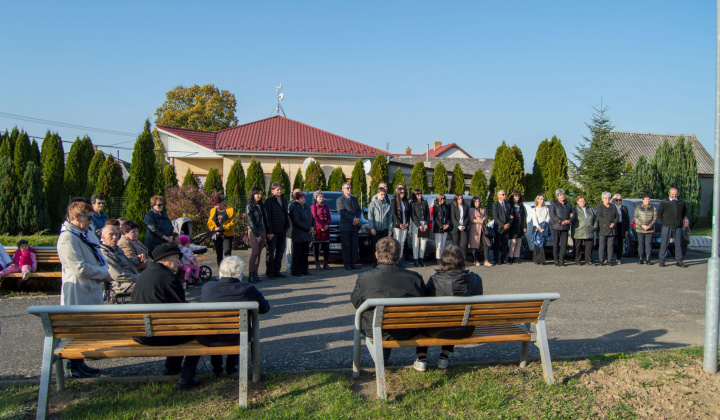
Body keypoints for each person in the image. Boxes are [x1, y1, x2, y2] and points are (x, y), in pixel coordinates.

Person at [131, 243, 201, 390]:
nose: (179, 262)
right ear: (164, 259)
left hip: (141, 332)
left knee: (176, 328)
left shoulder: (144, 275)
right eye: (176, 258)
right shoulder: (168, 278)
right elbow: (183, 310)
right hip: (158, 335)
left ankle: (172, 368)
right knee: (198, 333)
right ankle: (186, 377)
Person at [351, 237, 426, 364]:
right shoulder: (414, 278)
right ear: (399, 256)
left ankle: (382, 360)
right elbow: (424, 304)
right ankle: (422, 358)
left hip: (374, 330)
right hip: (405, 330)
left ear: (376, 255)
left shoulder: (364, 279)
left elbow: (356, 303)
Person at [58, 201, 111, 378]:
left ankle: (81, 362)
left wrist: (104, 270)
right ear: (76, 217)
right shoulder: (67, 238)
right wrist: (102, 273)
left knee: (87, 327)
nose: (91, 222)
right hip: (78, 288)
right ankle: (73, 366)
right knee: (76, 327)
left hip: (92, 286)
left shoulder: (85, 233)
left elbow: (98, 253)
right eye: (88, 218)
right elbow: (78, 267)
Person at [197, 256, 270, 376]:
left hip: (210, 337)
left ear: (220, 272)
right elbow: (265, 308)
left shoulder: (208, 287)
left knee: (215, 325)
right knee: (240, 328)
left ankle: (217, 366)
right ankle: (232, 365)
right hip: (238, 337)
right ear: (241, 273)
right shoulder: (248, 289)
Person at [416, 245, 483, 370]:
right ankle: (444, 357)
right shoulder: (475, 279)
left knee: (424, 318)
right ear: (462, 261)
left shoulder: (434, 280)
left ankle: (422, 358)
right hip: (465, 329)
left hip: (436, 330)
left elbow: (424, 305)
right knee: (457, 316)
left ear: (443, 261)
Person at [98, 225, 138, 295]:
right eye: (111, 234)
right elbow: (118, 275)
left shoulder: (116, 249)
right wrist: (140, 277)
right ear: (102, 237)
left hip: (130, 281)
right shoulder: (104, 253)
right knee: (150, 284)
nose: (115, 237)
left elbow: (126, 263)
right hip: (121, 286)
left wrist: (137, 260)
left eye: (116, 234)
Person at [264, 182, 290, 279]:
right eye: (277, 189)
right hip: (272, 231)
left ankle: (276, 271)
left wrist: (287, 225)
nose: (279, 191)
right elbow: (268, 218)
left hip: (282, 230)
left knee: (280, 251)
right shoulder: (269, 201)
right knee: (270, 252)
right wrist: (269, 232)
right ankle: (269, 272)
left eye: (280, 189)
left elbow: (285, 213)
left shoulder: (284, 200)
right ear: (272, 190)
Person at [658, 187, 687, 267]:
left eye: (676, 194)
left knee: (678, 244)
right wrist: (665, 222)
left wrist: (680, 221)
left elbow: (683, 213)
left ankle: (679, 260)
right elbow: (659, 213)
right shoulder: (664, 202)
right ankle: (662, 260)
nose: (674, 196)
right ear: (669, 194)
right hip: (667, 226)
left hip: (678, 226)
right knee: (664, 243)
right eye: (673, 194)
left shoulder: (681, 202)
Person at [289, 191, 315, 276]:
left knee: (305, 253)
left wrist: (313, 227)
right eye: (302, 198)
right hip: (299, 234)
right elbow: (297, 221)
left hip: (307, 234)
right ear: (297, 199)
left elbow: (312, 217)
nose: (304, 199)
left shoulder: (306, 207)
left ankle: (304, 270)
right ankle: (296, 271)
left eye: (304, 197)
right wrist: (308, 228)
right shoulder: (294, 207)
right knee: (297, 253)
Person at [337, 182, 362, 270]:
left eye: (350, 188)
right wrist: (353, 219)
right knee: (346, 246)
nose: (349, 189)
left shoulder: (354, 199)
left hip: (354, 227)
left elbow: (359, 209)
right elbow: (342, 212)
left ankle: (353, 263)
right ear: (343, 189)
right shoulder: (340, 200)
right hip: (346, 226)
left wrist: (358, 218)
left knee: (354, 246)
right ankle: (347, 264)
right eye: (347, 188)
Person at [246, 187, 267, 283]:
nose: (259, 195)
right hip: (254, 230)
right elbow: (251, 222)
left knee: (259, 253)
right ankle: (250, 274)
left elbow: (265, 220)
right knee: (254, 252)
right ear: (253, 194)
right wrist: (257, 234)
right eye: (257, 194)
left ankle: (255, 274)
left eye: (260, 193)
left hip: (262, 230)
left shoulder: (261, 205)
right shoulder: (250, 206)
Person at [368, 188, 394, 267]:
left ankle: (383, 262)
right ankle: (375, 263)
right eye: (381, 194)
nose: (383, 196)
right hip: (375, 229)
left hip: (384, 229)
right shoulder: (373, 204)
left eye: (384, 195)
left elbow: (390, 218)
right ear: (377, 194)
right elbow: (370, 217)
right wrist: (371, 228)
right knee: (375, 247)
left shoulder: (387, 205)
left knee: (384, 247)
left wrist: (390, 229)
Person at [208, 195, 236, 267]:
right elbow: (209, 223)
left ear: (221, 202)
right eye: (214, 206)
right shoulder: (213, 211)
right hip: (216, 235)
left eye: (216, 205)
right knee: (219, 254)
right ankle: (220, 272)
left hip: (227, 235)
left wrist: (221, 228)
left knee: (227, 254)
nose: (215, 207)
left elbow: (232, 224)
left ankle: (228, 271)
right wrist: (214, 229)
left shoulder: (230, 210)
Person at [549, 189, 573, 267]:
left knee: (564, 244)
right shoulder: (554, 203)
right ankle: (556, 260)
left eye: (563, 194)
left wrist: (569, 221)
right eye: (560, 195)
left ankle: (562, 259)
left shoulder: (568, 204)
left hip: (566, 227)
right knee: (556, 244)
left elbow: (573, 214)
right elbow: (553, 214)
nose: (562, 196)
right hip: (557, 226)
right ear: (557, 196)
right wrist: (560, 221)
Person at [571, 196, 596, 266]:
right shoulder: (574, 209)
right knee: (578, 247)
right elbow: (571, 218)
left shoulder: (590, 209)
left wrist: (594, 227)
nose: (582, 203)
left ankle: (588, 261)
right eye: (581, 201)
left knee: (589, 247)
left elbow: (595, 219)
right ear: (577, 202)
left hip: (589, 230)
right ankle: (577, 260)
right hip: (578, 230)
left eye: (583, 201)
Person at [596, 192, 618, 266]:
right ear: (602, 199)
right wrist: (609, 224)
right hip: (603, 229)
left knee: (610, 246)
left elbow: (617, 216)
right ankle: (601, 260)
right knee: (602, 246)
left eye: (608, 198)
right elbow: (599, 217)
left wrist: (614, 223)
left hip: (612, 229)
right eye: (605, 198)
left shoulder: (613, 206)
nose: (607, 199)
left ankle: (609, 260)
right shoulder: (600, 207)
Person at [634, 194, 657, 265]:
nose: (648, 201)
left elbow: (655, 218)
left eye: (649, 199)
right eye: (646, 199)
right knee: (641, 243)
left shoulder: (653, 208)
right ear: (643, 200)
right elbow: (636, 217)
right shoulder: (638, 208)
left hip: (649, 229)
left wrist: (649, 226)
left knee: (648, 244)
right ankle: (641, 258)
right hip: (640, 229)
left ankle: (648, 259)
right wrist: (642, 225)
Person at [311, 190, 332, 270]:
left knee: (326, 247)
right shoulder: (313, 207)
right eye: (319, 197)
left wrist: (327, 225)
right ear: (316, 198)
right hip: (318, 230)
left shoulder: (325, 206)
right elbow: (314, 217)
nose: (321, 198)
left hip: (326, 230)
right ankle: (317, 263)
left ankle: (325, 263)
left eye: (322, 197)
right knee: (317, 248)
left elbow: (329, 217)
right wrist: (321, 226)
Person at [391, 185, 411, 268]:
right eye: (401, 193)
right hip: (397, 225)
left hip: (405, 225)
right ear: (398, 193)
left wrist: (407, 223)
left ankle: (400, 260)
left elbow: (408, 213)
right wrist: (399, 223)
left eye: (404, 192)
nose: (403, 194)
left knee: (402, 242)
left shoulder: (405, 202)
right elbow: (394, 213)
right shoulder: (394, 201)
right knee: (397, 243)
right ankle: (395, 261)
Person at [468, 197, 492, 267]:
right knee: (475, 246)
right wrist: (480, 220)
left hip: (483, 230)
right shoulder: (471, 210)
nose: (477, 203)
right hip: (475, 230)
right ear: (473, 203)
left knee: (486, 244)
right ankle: (476, 260)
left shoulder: (482, 209)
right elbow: (472, 220)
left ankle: (486, 260)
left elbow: (486, 218)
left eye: (478, 201)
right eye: (476, 202)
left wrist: (484, 219)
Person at [410, 189, 430, 267]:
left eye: (420, 194)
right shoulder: (412, 203)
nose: (419, 196)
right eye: (418, 194)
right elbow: (413, 215)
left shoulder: (425, 202)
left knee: (423, 242)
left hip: (424, 223)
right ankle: (416, 259)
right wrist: (419, 225)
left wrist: (426, 223)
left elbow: (428, 214)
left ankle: (421, 258)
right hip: (416, 224)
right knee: (416, 242)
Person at [492, 190, 512, 265]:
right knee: (497, 244)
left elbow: (511, 216)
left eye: (505, 194)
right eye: (503, 194)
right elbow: (495, 217)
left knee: (505, 244)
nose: (505, 195)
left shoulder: (508, 205)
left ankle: (503, 259)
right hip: (499, 228)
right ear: (499, 196)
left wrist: (508, 224)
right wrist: (503, 225)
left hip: (507, 228)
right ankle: (496, 259)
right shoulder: (495, 205)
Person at [507, 191, 527, 264]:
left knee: (519, 242)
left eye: (518, 196)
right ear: (513, 196)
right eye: (516, 196)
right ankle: (510, 257)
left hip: (520, 226)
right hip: (513, 226)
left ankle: (516, 257)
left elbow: (524, 216)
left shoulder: (521, 205)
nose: (517, 197)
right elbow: (508, 214)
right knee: (513, 242)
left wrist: (524, 226)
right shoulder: (510, 205)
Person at [285, 188, 302, 273]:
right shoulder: (290, 205)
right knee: (289, 250)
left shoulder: (302, 206)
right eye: (296, 193)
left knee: (296, 250)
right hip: (290, 231)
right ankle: (288, 266)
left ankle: (296, 266)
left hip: (299, 231)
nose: (298, 194)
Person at [531, 195, 550, 265]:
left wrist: (544, 225)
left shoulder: (546, 209)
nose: (542, 201)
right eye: (541, 199)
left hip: (544, 227)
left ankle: (542, 260)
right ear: (537, 200)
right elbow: (534, 219)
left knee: (543, 244)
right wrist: (539, 227)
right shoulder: (534, 209)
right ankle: (536, 259)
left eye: (543, 199)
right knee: (537, 244)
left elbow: (548, 218)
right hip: (536, 227)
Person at [611, 194, 630, 265]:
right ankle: (608, 258)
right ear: (614, 200)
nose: (618, 201)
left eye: (620, 200)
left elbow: (627, 219)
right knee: (611, 242)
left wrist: (627, 229)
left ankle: (619, 258)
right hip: (614, 225)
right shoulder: (612, 207)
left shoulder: (624, 208)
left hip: (621, 225)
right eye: (617, 200)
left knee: (620, 242)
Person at [432, 193, 451, 261]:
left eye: (444, 198)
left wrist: (447, 224)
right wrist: (441, 225)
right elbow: (435, 218)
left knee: (443, 244)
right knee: (439, 244)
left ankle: (443, 258)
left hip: (445, 226)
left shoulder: (447, 206)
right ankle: (438, 259)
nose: (443, 200)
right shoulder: (436, 207)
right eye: (441, 198)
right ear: (438, 199)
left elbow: (449, 216)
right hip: (438, 227)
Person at [451, 194, 470, 261]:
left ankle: (464, 258)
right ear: (456, 200)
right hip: (456, 227)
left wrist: (463, 225)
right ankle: (456, 258)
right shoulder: (453, 207)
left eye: (461, 198)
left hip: (464, 227)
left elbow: (467, 217)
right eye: (459, 199)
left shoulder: (465, 206)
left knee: (464, 243)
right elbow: (453, 218)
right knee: (456, 244)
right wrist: (458, 226)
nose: (461, 200)